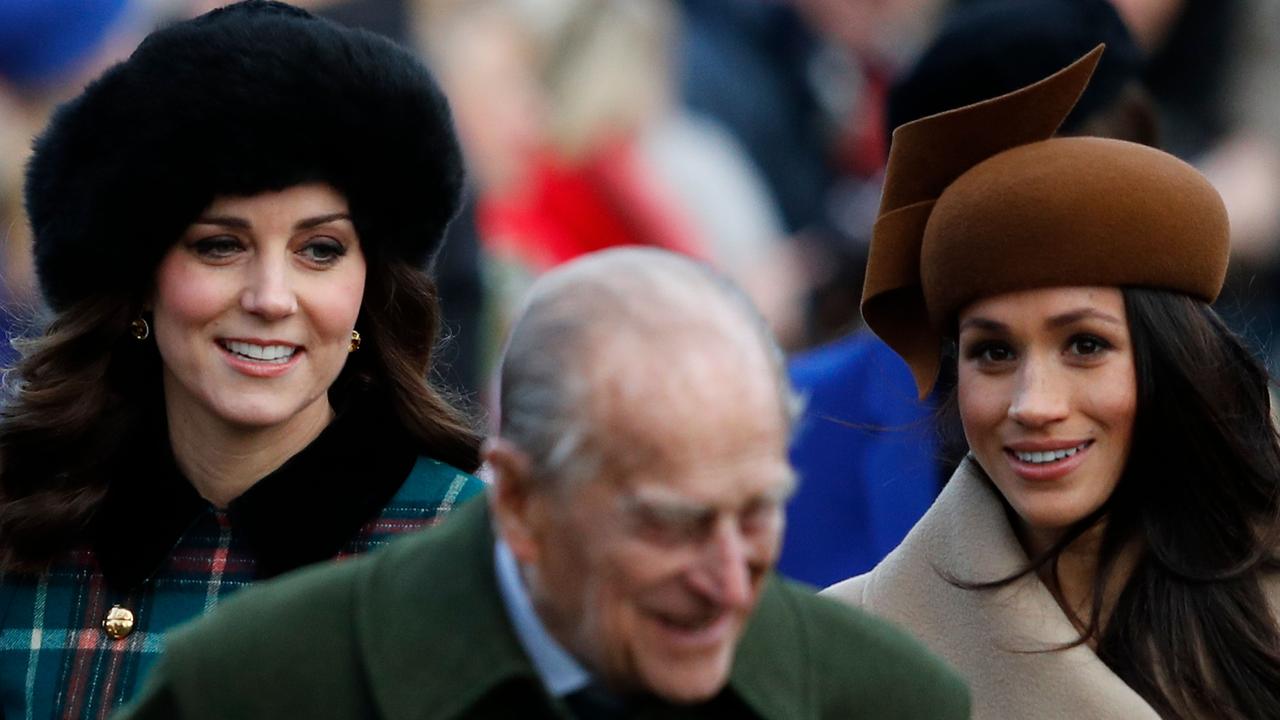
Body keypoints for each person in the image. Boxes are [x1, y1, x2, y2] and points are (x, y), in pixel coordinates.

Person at [115, 247, 971, 719]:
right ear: (520, 502)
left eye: (756, 513)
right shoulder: (252, 688)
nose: (726, 577)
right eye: (670, 524)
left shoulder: (886, 701)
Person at [0, 3, 487, 717]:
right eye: (218, 245)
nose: (269, 297)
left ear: (369, 287)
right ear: (139, 277)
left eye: (319, 251)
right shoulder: (23, 520)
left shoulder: (462, 557)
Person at [825, 46, 1280, 719]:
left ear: (1171, 361)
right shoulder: (851, 654)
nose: (1034, 404)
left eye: (1086, 345)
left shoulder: (1264, 607)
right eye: (993, 353)